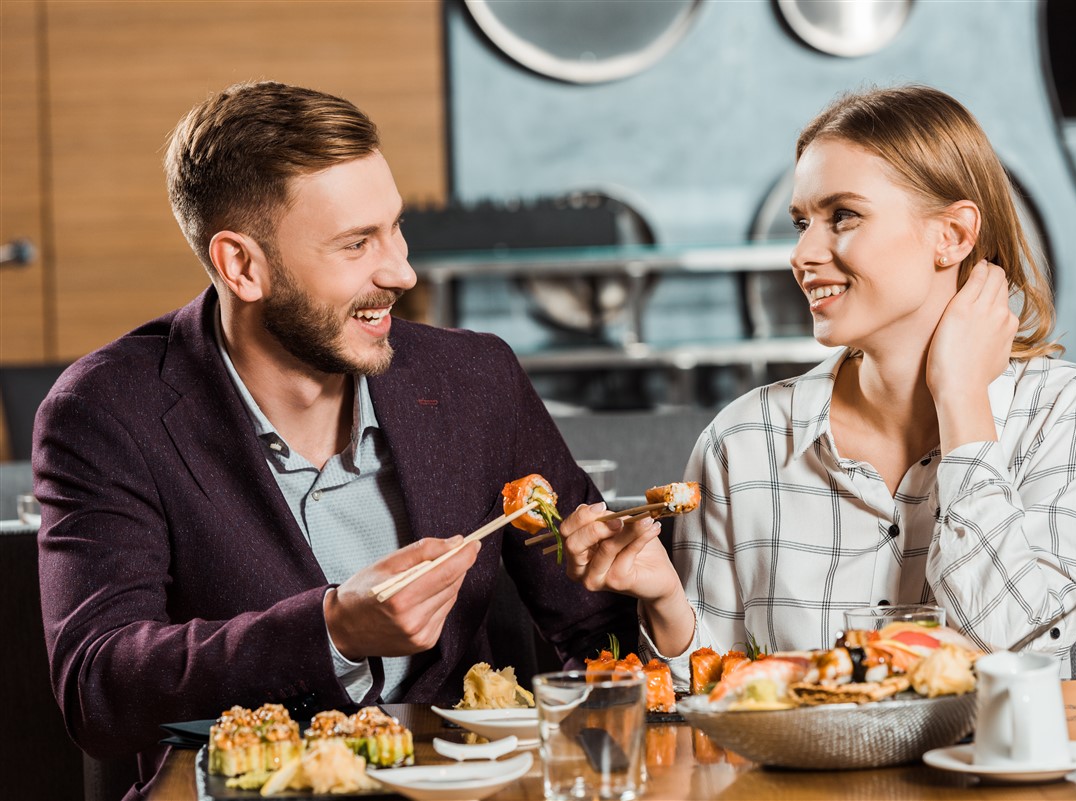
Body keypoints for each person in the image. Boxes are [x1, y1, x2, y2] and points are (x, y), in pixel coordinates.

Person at [34, 81, 641, 781]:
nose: (402, 269)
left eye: (395, 227)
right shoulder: (105, 411)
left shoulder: (477, 379)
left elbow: (597, 634)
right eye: (357, 244)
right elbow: (98, 685)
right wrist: (332, 631)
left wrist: (652, 601)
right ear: (242, 265)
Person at [560, 85, 1076, 687]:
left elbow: (1014, 653)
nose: (802, 253)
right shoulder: (742, 439)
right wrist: (667, 604)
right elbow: (713, 700)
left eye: (843, 216)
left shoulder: (1065, 407)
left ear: (952, 235)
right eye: (802, 222)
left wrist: (961, 397)